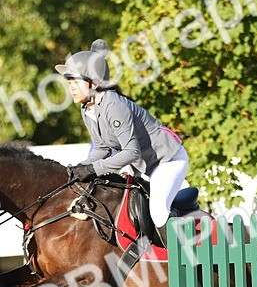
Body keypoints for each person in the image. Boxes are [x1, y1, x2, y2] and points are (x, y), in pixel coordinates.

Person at [55, 39, 189, 242]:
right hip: (141, 167)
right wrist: (78, 168)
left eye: (76, 82)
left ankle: (180, 258)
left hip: (168, 161)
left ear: (94, 83)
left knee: (158, 212)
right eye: (70, 83)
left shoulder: (113, 104)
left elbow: (131, 152)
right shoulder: (87, 109)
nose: (71, 88)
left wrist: (93, 169)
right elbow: (101, 149)